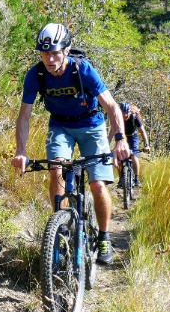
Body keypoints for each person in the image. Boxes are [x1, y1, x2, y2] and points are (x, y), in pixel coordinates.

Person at [11, 23, 130, 265]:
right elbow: (24, 116)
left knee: (97, 184)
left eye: (55, 52)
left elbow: (111, 106)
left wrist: (120, 139)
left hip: (92, 125)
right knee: (56, 169)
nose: (50, 59)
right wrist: (21, 151)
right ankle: (61, 229)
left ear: (66, 50)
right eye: (45, 53)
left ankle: (105, 237)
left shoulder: (82, 70)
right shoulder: (36, 75)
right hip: (60, 126)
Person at [117, 102, 150, 188]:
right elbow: (112, 131)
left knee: (134, 156)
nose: (125, 115)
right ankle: (121, 179)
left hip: (133, 137)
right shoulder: (117, 118)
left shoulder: (135, 117)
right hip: (122, 138)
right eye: (123, 113)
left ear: (130, 112)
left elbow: (142, 132)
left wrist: (146, 145)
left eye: (126, 113)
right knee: (119, 158)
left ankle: (136, 178)